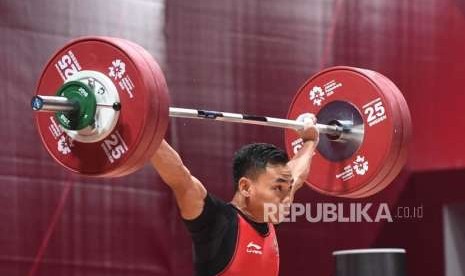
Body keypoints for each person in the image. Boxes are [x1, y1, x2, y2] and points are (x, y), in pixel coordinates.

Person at [150, 114, 319, 276]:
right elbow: (181, 179)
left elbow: (296, 176)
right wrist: (146, 130)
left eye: (287, 189)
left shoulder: (269, 213)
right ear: (246, 187)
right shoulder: (217, 222)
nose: (288, 199)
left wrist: (310, 141)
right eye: (278, 188)